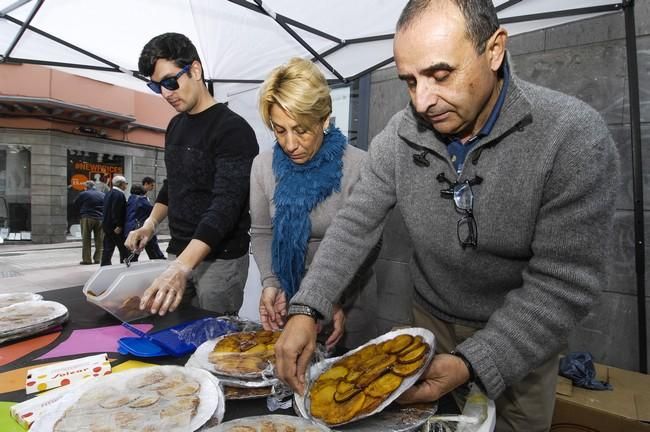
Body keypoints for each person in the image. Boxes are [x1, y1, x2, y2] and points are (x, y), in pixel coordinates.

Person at [274, 1, 620, 430]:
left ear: (494, 50)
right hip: (429, 325)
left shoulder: (572, 138)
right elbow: (354, 225)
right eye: (409, 81)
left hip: (522, 337)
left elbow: (563, 283)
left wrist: (476, 360)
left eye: (440, 76)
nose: (422, 102)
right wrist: (307, 308)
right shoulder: (401, 135)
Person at [126, 32, 259, 317]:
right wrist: (150, 224)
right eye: (156, 86)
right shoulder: (175, 126)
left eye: (171, 82)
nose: (165, 93)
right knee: (172, 336)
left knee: (212, 345)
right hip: (178, 253)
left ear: (195, 69)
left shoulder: (233, 130)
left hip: (219, 261)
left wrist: (182, 266)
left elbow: (226, 207)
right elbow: (173, 184)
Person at [251, 58, 379, 351]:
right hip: (288, 300)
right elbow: (261, 232)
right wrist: (271, 282)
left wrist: (334, 298)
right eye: (280, 130)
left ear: (324, 120)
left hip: (348, 300)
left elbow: (367, 244)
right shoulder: (262, 167)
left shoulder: (358, 165)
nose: (290, 143)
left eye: (302, 130)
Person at [125, 184, 165, 262]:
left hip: (131, 227)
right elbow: (153, 212)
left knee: (136, 248)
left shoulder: (130, 199)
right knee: (150, 246)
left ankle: (130, 261)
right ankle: (159, 260)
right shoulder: (141, 200)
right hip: (141, 227)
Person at [100, 175, 130, 266]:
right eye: (126, 183)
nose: (126, 185)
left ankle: (104, 266)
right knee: (124, 248)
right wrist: (119, 225)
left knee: (108, 248)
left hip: (107, 225)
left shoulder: (109, 193)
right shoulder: (119, 195)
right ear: (121, 184)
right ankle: (126, 265)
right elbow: (116, 211)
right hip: (115, 227)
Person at [73, 180, 104, 265]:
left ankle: (87, 260)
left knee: (86, 239)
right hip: (100, 218)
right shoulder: (102, 194)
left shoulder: (84, 194)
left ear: (86, 187)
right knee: (100, 240)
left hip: (87, 217)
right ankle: (98, 259)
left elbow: (76, 203)